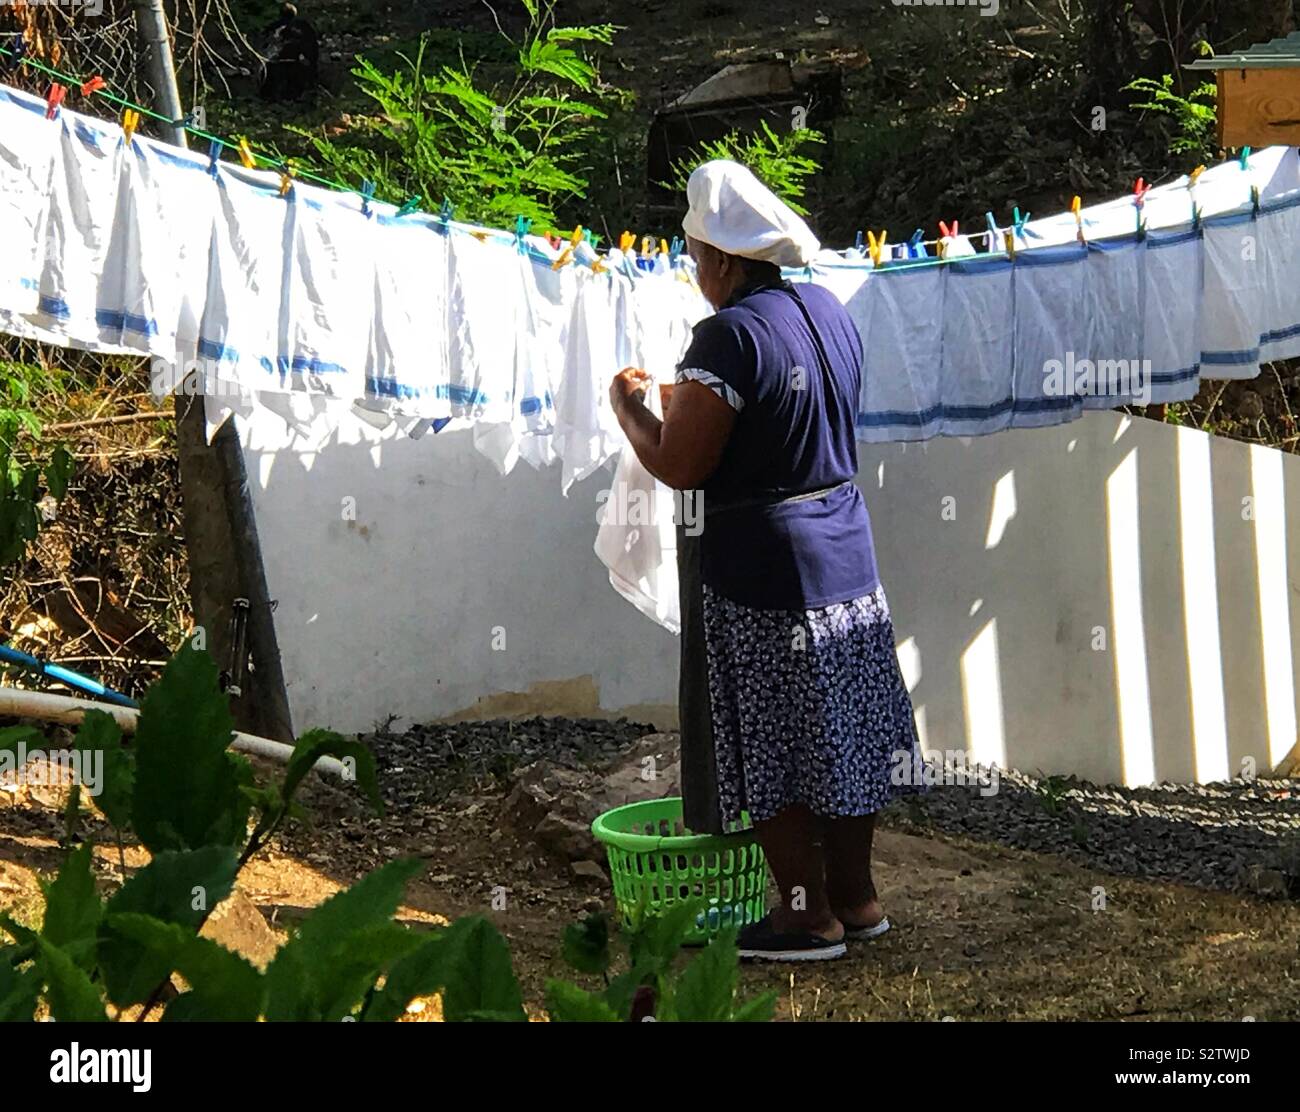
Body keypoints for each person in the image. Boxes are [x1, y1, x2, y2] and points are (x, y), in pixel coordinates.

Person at [609, 160, 926, 962]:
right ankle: (856, 900)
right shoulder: (827, 310)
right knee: (845, 733)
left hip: (766, 572)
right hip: (847, 553)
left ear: (721, 260)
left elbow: (681, 465)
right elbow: (790, 421)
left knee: (777, 747)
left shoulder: (728, 336)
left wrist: (632, 412)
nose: (692, 272)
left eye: (693, 256)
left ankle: (800, 917)